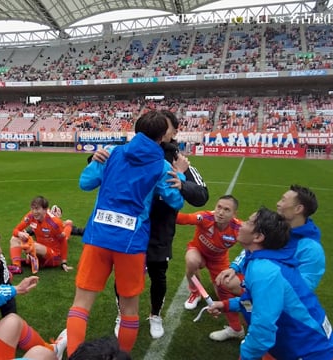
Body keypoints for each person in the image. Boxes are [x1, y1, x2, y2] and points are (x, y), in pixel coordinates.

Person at [66, 110, 185, 355]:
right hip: (131, 243)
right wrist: (180, 175)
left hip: (98, 236)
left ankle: (74, 356)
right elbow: (176, 201)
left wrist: (96, 161)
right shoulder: (162, 166)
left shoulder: (111, 152)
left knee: (80, 305)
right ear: (163, 136)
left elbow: (85, 183)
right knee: (129, 309)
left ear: (136, 129)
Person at [94, 110, 210, 339]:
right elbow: (109, 164)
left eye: (164, 126)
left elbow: (202, 195)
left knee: (158, 275)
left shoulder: (178, 159)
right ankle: (123, 314)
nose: (157, 131)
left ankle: (155, 315)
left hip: (159, 230)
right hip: (130, 227)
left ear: (173, 132)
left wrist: (182, 181)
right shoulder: (129, 150)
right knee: (124, 275)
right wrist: (94, 158)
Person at [207, 207, 333, 360]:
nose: (242, 224)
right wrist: (226, 305)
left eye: (249, 222)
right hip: (293, 346)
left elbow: (263, 330)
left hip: (311, 352)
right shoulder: (262, 261)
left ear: (258, 237)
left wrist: (246, 356)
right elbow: (256, 301)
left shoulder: (264, 270)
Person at [218, 184, 324, 293]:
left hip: (280, 292)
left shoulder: (311, 248)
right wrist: (234, 268)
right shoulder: (275, 227)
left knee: (234, 285)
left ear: (298, 209)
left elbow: (305, 286)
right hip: (261, 278)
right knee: (225, 281)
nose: (278, 203)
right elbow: (252, 248)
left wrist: (266, 286)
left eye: (283, 200)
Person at [176, 195, 244, 341]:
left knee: (223, 289)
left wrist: (237, 268)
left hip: (218, 261)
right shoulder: (206, 217)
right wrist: (160, 210)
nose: (220, 212)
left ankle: (238, 324)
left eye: (227, 209)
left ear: (234, 214)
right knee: (191, 261)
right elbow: (185, 218)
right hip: (198, 251)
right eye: (219, 207)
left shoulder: (238, 228)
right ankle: (195, 292)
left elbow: (253, 246)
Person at [8, 196, 73, 274]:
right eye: (32, 208)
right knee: (14, 238)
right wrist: (19, 233)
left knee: (64, 236)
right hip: (40, 248)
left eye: (37, 209)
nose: (34, 212)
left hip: (54, 255)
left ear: (45, 210)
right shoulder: (30, 216)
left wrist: (64, 262)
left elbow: (63, 240)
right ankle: (16, 266)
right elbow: (15, 230)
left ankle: (69, 224)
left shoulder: (55, 223)